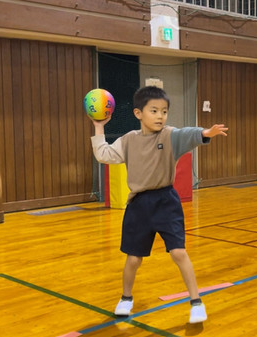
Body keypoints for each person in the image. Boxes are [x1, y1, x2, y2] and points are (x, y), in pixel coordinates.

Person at [91, 86, 228, 323]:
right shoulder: (128, 141)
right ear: (138, 113)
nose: (160, 116)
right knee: (133, 258)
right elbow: (104, 154)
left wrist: (206, 132)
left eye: (164, 111)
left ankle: (196, 302)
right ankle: (126, 298)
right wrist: (99, 127)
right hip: (138, 205)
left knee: (178, 252)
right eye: (153, 111)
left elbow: (188, 133)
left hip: (166, 202)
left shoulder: (169, 135)